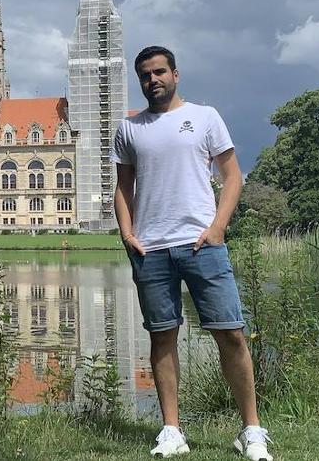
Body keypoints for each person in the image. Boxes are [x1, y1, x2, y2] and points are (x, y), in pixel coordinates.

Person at [112, 45, 272, 461]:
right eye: (145, 75)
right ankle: (171, 430)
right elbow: (123, 188)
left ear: (176, 75)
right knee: (161, 339)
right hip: (152, 249)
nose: (153, 80)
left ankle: (251, 430)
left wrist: (218, 227)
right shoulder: (129, 129)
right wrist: (128, 234)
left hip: (202, 244)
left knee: (231, 334)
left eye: (160, 72)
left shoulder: (204, 117)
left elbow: (233, 176)